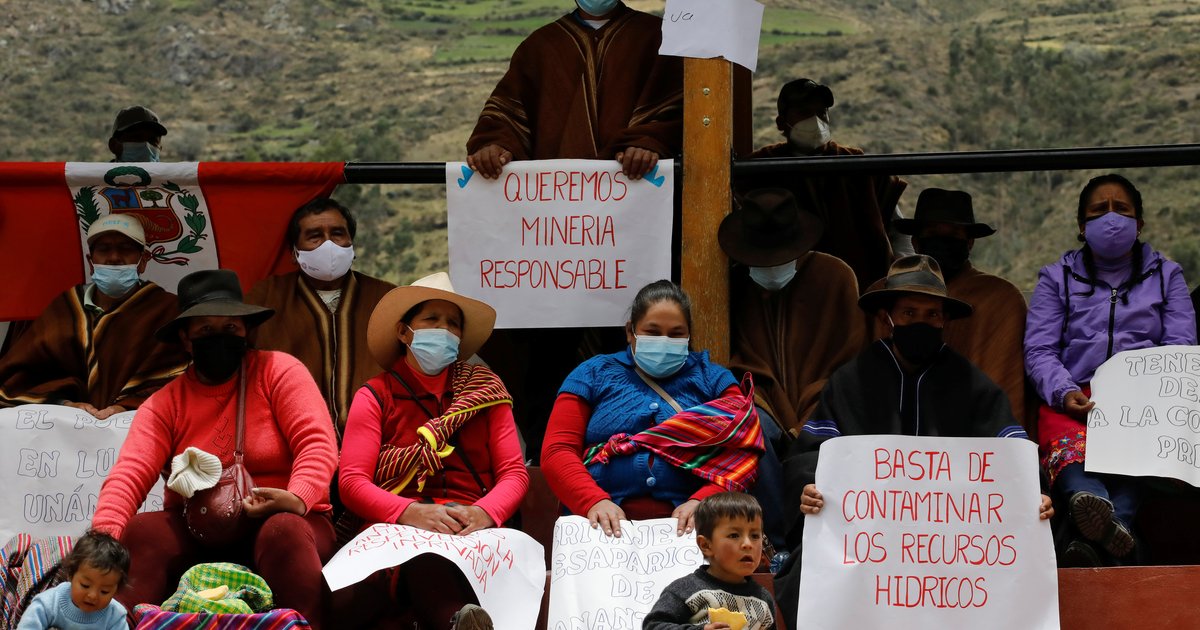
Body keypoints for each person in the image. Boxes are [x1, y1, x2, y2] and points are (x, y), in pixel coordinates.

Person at [773, 255, 1054, 623]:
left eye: (932, 315)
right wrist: (810, 487)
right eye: (909, 314)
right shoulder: (851, 381)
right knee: (803, 579)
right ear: (886, 318)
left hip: (955, 543)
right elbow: (813, 453)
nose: (921, 323)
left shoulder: (971, 384)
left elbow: (1012, 453)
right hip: (865, 536)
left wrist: (1036, 492)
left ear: (945, 321)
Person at [91, 269, 339, 628]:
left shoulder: (279, 371)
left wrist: (296, 498)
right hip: (199, 526)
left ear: (246, 331)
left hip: (290, 520)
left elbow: (317, 444)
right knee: (143, 531)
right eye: (206, 330)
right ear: (186, 339)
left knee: (283, 530)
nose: (220, 338)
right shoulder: (165, 403)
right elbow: (129, 474)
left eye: (231, 328)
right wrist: (102, 544)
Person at [337, 272, 527, 629]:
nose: (444, 329)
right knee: (425, 555)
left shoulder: (485, 391)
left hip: (475, 526)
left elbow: (514, 474)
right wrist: (411, 513)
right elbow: (351, 482)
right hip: (398, 527)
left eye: (453, 324)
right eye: (432, 320)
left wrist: (483, 514)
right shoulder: (375, 395)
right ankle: (457, 622)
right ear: (404, 332)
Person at [1025, 174, 1196, 563]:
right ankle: (1104, 516)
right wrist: (1064, 391)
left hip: (1145, 401)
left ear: (1140, 223)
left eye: (1123, 209)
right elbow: (1039, 349)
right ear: (1083, 227)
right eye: (1099, 210)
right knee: (1069, 454)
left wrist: (1149, 399)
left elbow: (1181, 347)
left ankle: (1096, 531)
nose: (1112, 218)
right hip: (1073, 399)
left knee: (1140, 457)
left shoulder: (1168, 277)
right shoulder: (1056, 279)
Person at [541, 280, 764, 539]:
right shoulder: (592, 373)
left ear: (689, 336)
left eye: (676, 334)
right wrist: (593, 501)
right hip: (597, 530)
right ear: (630, 332)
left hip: (693, 531)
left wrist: (704, 503)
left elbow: (744, 450)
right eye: (653, 332)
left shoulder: (714, 380)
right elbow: (557, 451)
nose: (664, 342)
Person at [466, 0, 682, 181]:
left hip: (638, 194)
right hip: (558, 205)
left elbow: (682, 112)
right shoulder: (539, 46)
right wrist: (494, 146)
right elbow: (506, 115)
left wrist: (649, 143)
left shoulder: (659, 37)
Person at [0, 214, 187, 417]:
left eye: (126, 248)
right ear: (91, 261)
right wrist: (63, 403)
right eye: (104, 249)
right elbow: (17, 377)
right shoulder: (64, 308)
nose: (114, 257)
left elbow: (179, 378)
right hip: (63, 433)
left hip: (138, 425)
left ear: (143, 261)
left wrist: (126, 406)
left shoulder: (168, 309)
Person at [247, 197, 395, 435]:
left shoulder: (386, 297)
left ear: (351, 245)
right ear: (294, 252)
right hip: (291, 444)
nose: (328, 244)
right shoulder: (266, 297)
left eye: (338, 233)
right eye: (314, 235)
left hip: (378, 442)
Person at [722, 188, 864, 435]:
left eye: (780, 258)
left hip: (828, 413)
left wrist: (810, 420)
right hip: (756, 414)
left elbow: (849, 360)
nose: (772, 266)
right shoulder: (732, 285)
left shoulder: (835, 278)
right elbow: (735, 361)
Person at [744, 79, 907, 289]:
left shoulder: (856, 164)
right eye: (804, 112)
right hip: (791, 292)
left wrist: (901, 277)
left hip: (860, 291)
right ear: (781, 122)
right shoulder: (760, 167)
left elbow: (899, 229)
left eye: (821, 113)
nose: (816, 120)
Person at [894, 188, 1028, 424]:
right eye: (933, 232)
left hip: (974, 441)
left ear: (969, 242)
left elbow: (1005, 390)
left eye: (954, 233)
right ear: (915, 241)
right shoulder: (885, 295)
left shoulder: (1000, 298)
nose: (943, 240)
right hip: (892, 443)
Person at [643, 492, 776, 630]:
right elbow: (653, 626)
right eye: (734, 535)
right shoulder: (685, 590)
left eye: (755, 535)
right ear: (706, 545)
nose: (748, 544)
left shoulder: (763, 600)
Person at [16, 530, 129, 630]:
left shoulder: (115, 616)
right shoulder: (50, 603)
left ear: (116, 589)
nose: (93, 595)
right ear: (71, 575)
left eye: (104, 591)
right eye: (85, 585)